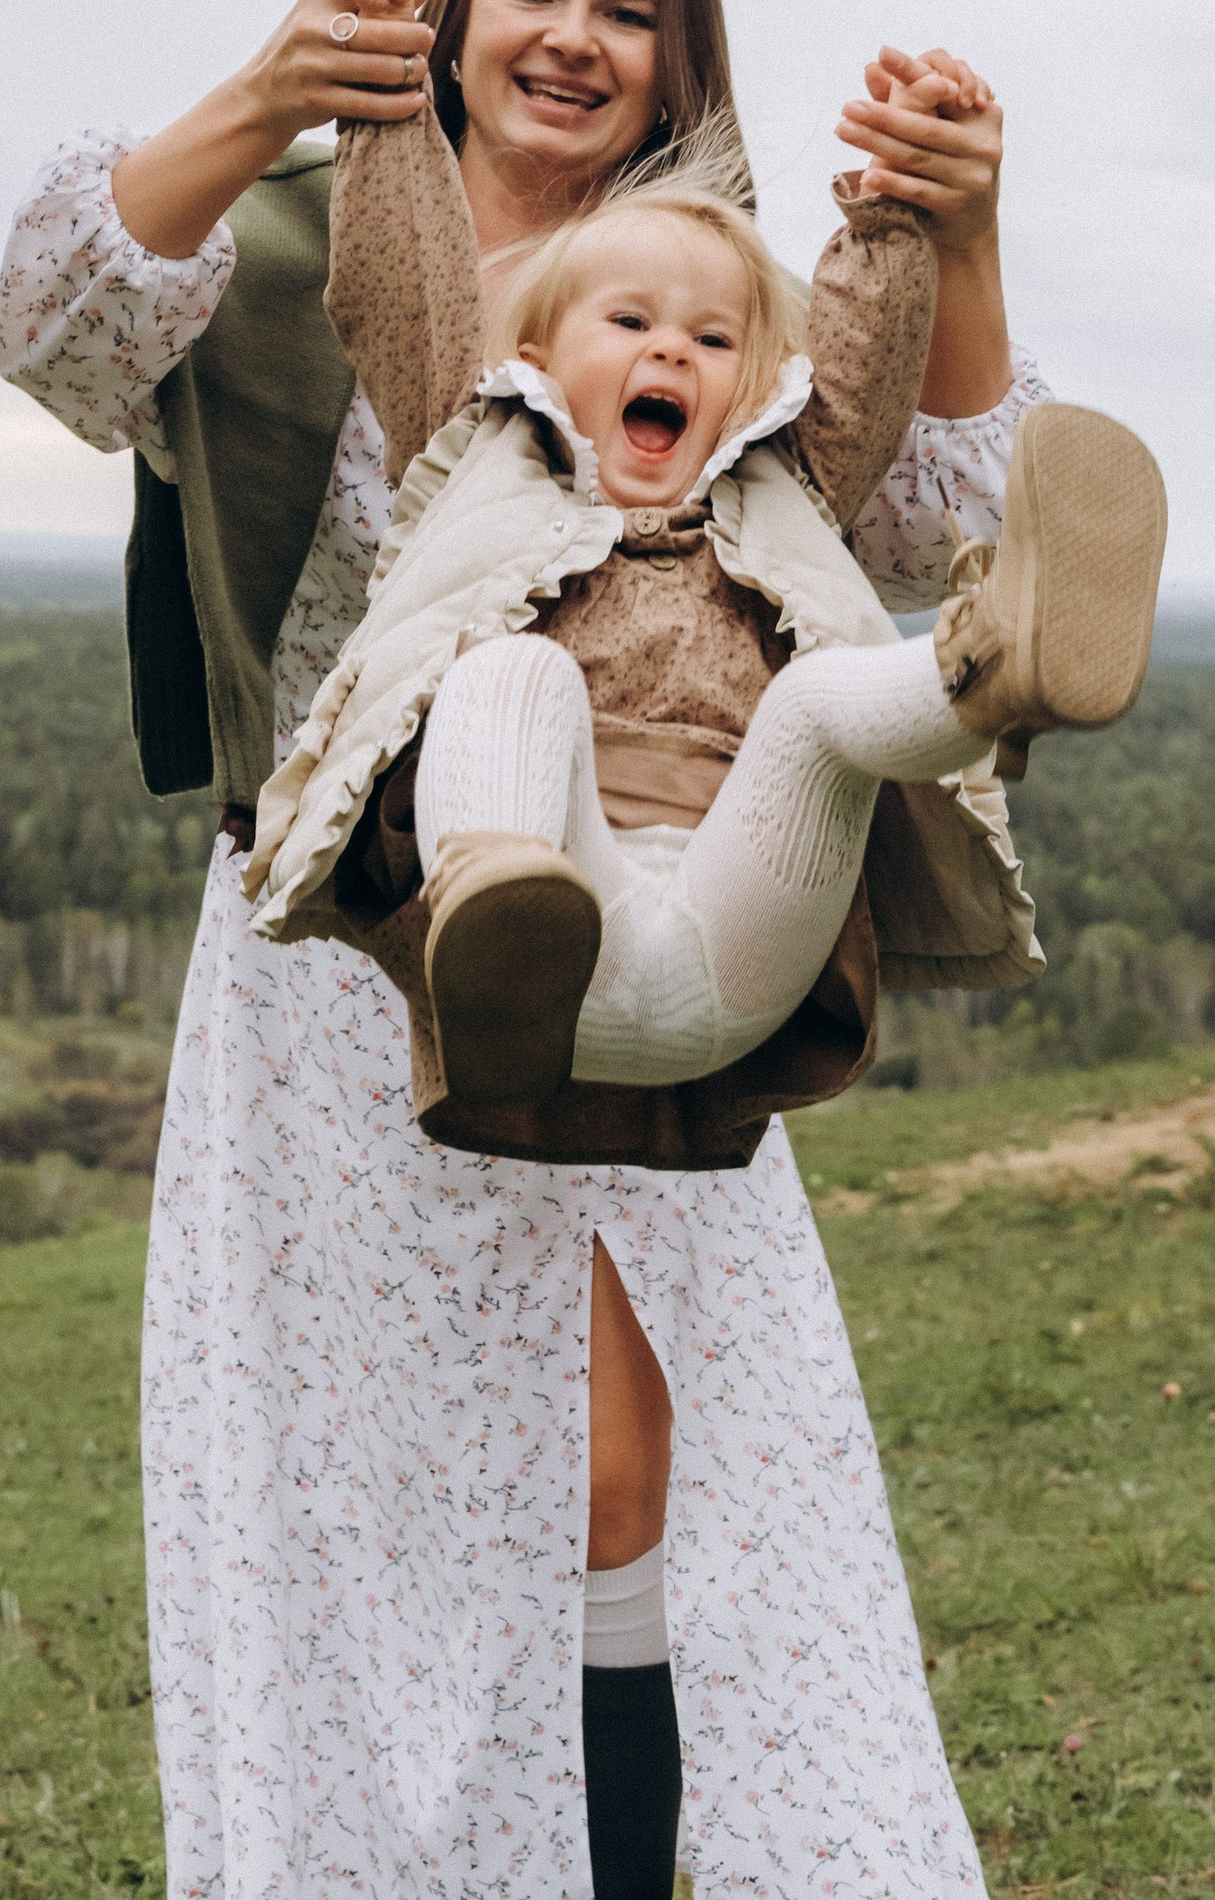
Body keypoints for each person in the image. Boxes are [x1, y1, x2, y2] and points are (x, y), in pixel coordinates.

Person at [0, 0, 1056, 1900]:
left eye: (628, 4)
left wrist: (965, 232)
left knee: (599, 1480)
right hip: (331, 942)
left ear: (678, 56)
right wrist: (268, 86)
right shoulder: (295, 236)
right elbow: (57, 324)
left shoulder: (711, 283)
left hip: (646, 939)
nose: (574, 34)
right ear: (456, 11)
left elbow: (950, 516)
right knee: (329, 1491)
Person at [247, 124, 1167, 1158]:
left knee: (815, 704)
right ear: (535, 359)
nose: (673, 350)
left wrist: (888, 213)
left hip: (743, 920)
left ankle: (991, 668)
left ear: (755, 384)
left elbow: (864, 374)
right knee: (511, 669)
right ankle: (502, 920)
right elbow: (399, 287)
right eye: (629, 319)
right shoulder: (474, 453)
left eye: (714, 341)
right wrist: (386, 109)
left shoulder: (786, 488)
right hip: (557, 908)